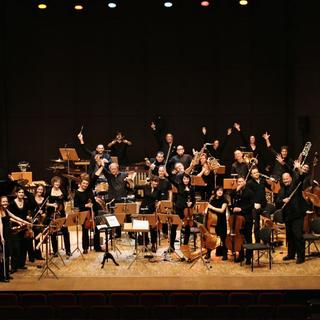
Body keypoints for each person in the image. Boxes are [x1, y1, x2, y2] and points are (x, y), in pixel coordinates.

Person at [276, 167, 308, 264]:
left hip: (297, 215)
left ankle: (301, 257)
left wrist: (300, 171)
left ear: (290, 178)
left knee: (298, 236)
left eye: (287, 178)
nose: (285, 180)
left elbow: (301, 179)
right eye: (284, 179)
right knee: (289, 237)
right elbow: (277, 202)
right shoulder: (281, 190)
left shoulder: (295, 186)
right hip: (287, 216)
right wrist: (282, 200)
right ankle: (291, 254)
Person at [0, 196, 31, 280]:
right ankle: (2, 276)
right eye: (3, 202)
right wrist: (2, 237)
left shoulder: (5, 210)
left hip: (8, 233)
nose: (5, 203)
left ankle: (6, 274)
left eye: (6, 201)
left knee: (7, 255)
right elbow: (0, 225)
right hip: (3, 234)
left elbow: (14, 216)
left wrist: (25, 222)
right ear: (0, 202)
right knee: (4, 256)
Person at [74, 172, 102, 254]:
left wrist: (101, 166)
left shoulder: (89, 189)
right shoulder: (77, 193)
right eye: (84, 183)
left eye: (87, 184)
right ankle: (85, 248)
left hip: (93, 213)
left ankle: (97, 247)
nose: (85, 185)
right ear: (80, 183)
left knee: (97, 229)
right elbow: (76, 206)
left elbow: (95, 178)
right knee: (85, 230)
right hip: (84, 214)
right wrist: (85, 205)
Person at [8, 187, 35, 271]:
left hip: (24, 227)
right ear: (16, 193)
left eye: (22, 192)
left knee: (24, 246)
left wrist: (28, 218)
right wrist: (19, 221)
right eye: (19, 192)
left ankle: (21, 264)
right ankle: (14, 266)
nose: (21, 194)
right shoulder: (12, 203)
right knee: (16, 247)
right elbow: (10, 216)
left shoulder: (26, 202)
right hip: (15, 227)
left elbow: (28, 211)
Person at [230, 176, 254, 264]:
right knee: (240, 237)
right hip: (238, 219)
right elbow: (231, 195)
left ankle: (249, 257)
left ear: (245, 182)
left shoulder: (249, 192)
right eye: (238, 182)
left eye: (241, 181)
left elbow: (251, 206)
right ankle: (241, 256)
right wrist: (238, 188)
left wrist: (241, 209)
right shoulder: (236, 191)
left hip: (247, 217)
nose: (240, 183)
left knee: (247, 237)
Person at [168, 173, 195, 252]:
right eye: (184, 179)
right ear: (182, 180)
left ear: (189, 179)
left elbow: (193, 199)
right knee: (174, 227)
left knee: (187, 228)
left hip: (187, 211)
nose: (186, 180)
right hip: (179, 209)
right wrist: (167, 174)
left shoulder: (191, 187)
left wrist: (191, 204)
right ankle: (172, 246)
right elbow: (171, 180)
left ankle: (185, 245)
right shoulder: (179, 186)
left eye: (187, 179)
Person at [46, 176, 71, 258]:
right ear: (53, 183)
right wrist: (52, 205)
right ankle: (55, 251)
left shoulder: (62, 190)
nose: (57, 183)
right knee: (53, 233)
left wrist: (67, 211)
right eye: (56, 182)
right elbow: (45, 203)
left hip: (61, 214)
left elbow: (67, 201)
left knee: (65, 232)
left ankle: (68, 250)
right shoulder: (49, 191)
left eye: (59, 182)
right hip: (52, 214)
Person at [246, 167, 270, 243]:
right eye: (254, 173)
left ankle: (266, 241)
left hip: (264, 204)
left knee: (268, 223)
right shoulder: (249, 183)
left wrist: (271, 181)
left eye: (257, 172)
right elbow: (248, 196)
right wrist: (254, 204)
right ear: (251, 175)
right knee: (256, 225)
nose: (256, 174)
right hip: (255, 206)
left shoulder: (263, 180)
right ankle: (257, 242)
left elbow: (271, 188)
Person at [205, 187, 228, 261]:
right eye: (218, 190)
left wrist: (212, 207)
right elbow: (208, 207)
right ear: (215, 192)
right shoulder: (212, 199)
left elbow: (222, 210)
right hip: (213, 222)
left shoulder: (225, 201)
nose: (220, 192)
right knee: (211, 238)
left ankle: (225, 254)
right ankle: (208, 253)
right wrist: (206, 210)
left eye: (221, 190)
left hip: (221, 221)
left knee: (222, 238)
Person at [139, 177, 161, 253]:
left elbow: (159, 199)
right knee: (144, 227)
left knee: (153, 228)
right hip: (143, 208)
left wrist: (159, 203)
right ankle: (145, 244)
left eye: (157, 182)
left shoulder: (158, 190)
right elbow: (134, 187)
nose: (156, 183)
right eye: (154, 182)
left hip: (152, 209)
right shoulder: (146, 187)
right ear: (151, 181)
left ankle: (153, 244)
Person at [29, 185, 47, 260]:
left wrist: (43, 213)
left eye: (41, 190)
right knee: (30, 238)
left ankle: (38, 254)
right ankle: (31, 256)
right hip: (32, 219)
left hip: (39, 220)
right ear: (36, 190)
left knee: (37, 238)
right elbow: (29, 208)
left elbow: (45, 211)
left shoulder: (44, 199)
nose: (40, 191)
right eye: (39, 189)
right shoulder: (32, 198)